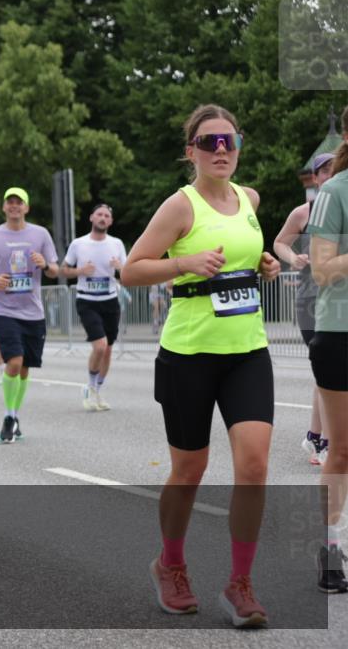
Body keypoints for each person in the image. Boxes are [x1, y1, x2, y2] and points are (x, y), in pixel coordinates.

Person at [121, 104, 281, 627]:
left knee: (254, 467)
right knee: (190, 471)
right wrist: (183, 263)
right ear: (191, 151)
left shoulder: (249, 199)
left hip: (247, 351)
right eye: (209, 142)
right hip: (189, 356)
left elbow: (244, 254)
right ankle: (170, 564)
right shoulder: (179, 206)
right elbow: (132, 270)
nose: (221, 150)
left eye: (230, 141)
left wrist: (263, 263)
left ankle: (240, 584)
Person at [0, 186, 59, 442]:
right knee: (15, 361)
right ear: (4, 207)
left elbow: (55, 270)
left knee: (25, 368)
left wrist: (45, 265)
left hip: (33, 312)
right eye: (10, 202)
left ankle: (15, 415)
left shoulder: (40, 234)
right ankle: (9, 416)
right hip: (3, 310)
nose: (14, 206)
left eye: (19, 202)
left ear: (26, 207)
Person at [274, 152, 336, 466]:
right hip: (312, 301)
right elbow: (280, 242)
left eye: (335, 169)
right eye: (324, 171)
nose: (330, 175)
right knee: (329, 369)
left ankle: (315, 437)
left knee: (329, 370)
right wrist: (293, 258)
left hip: (339, 300)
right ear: (314, 178)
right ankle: (324, 442)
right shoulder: (305, 212)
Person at [307, 136, 348, 593]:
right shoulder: (335, 191)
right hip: (341, 332)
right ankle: (331, 546)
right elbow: (321, 269)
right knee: (342, 449)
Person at [61, 203, 128, 411]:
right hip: (87, 300)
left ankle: (97, 390)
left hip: (110, 300)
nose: (102, 218)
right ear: (91, 217)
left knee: (107, 350)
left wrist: (120, 268)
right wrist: (81, 271)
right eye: (99, 214)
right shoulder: (78, 244)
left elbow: (128, 273)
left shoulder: (116, 243)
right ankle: (90, 388)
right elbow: (63, 270)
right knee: (99, 345)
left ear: (111, 221)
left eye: (107, 216)